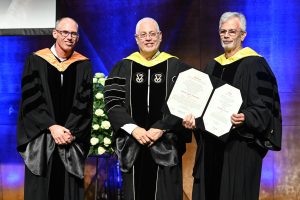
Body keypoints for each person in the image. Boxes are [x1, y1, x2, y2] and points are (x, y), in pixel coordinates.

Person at [183, 12, 282, 200]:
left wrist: (247, 117)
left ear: (242, 35)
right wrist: (194, 120)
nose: (226, 35)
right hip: (211, 146)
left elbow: (266, 107)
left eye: (232, 31)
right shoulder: (212, 66)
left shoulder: (256, 64)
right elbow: (202, 106)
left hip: (239, 148)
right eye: (223, 31)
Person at [104, 17, 191, 200]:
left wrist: (161, 127)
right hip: (133, 145)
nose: (148, 38)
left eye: (152, 34)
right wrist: (134, 129)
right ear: (136, 39)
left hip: (165, 144)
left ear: (160, 36)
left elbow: (185, 102)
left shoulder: (176, 67)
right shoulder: (122, 67)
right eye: (143, 35)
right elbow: (112, 103)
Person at [17, 17, 93, 200]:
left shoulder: (83, 65)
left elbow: (85, 104)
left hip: (70, 141)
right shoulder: (36, 60)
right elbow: (31, 100)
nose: (69, 37)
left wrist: (70, 132)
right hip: (42, 142)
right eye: (65, 32)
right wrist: (52, 126)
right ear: (55, 33)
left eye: (74, 33)